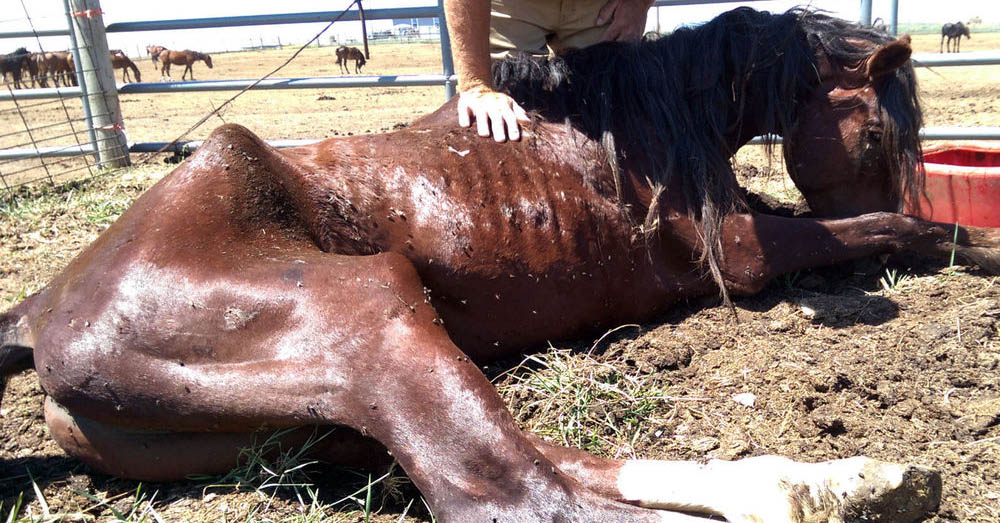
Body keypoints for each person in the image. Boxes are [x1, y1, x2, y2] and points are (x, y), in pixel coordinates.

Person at [443, 0, 655, 142]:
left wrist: (639, 3)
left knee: (615, 118)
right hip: (513, 6)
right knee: (502, 123)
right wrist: (477, 86)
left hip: (599, 6)